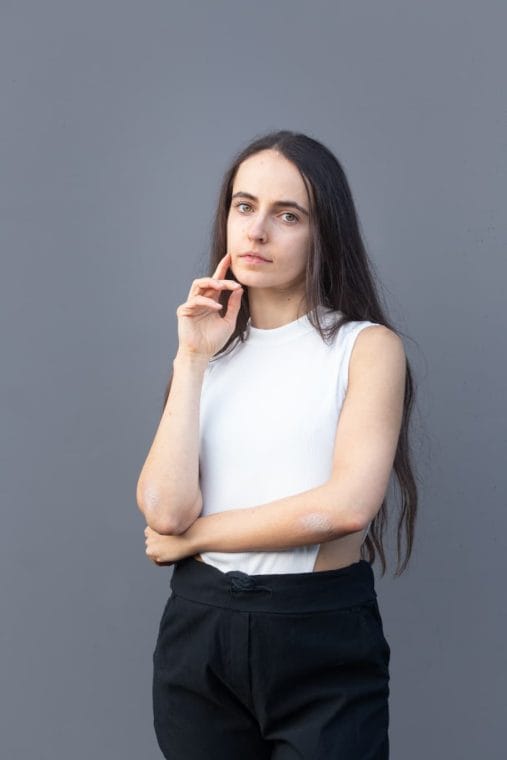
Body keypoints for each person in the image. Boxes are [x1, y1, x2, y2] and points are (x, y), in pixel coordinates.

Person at [137, 129, 418, 759]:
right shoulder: (209, 352)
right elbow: (163, 512)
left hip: (318, 634)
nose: (257, 231)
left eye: (287, 215)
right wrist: (191, 360)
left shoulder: (365, 348)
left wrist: (198, 538)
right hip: (199, 630)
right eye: (245, 206)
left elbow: (346, 507)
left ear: (324, 232)